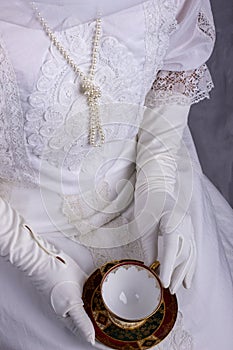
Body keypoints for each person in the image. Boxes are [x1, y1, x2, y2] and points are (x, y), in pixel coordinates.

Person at [0, 1, 232, 349]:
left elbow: (174, 66)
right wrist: (39, 265)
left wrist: (161, 187)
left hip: (143, 180)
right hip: (23, 229)